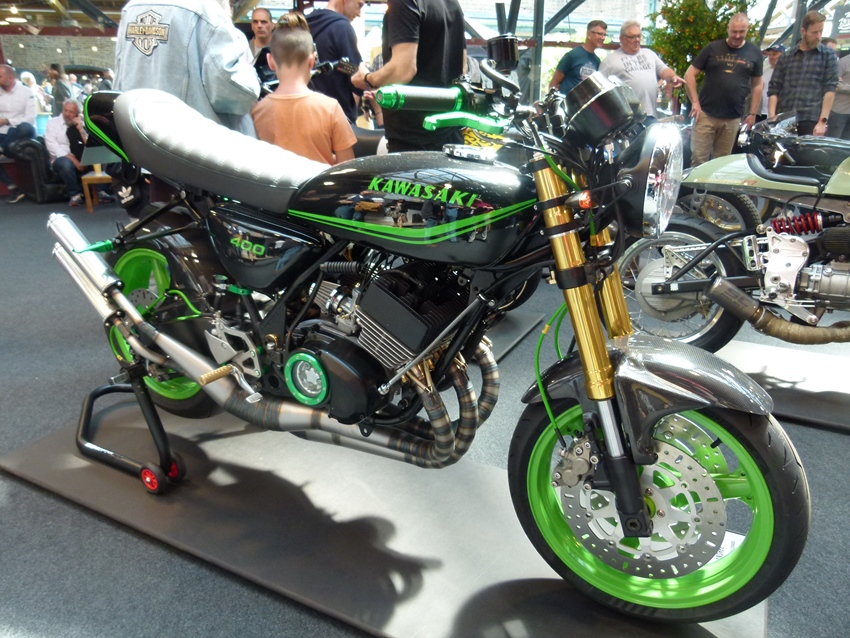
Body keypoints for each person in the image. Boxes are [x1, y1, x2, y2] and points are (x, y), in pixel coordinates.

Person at [114, 0, 260, 135]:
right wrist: (248, 71)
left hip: (142, 139)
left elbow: (119, 84)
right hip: (195, 143)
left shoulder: (131, 9)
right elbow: (239, 93)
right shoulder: (207, 11)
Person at [351, 0, 466, 152]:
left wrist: (367, 78)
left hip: (414, 139)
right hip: (450, 135)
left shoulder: (404, 2)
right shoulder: (453, 4)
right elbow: (463, 68)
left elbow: (403, 70)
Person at [251, 13, 355, 165]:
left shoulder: (256, 112)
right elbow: (347, 169)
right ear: (312, 60)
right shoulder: (330, 109)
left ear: (270, 61)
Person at [684, 12, 763, 166]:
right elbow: (689, 74)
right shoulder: (712, 48)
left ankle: (714, 184)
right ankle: (698, 183)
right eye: (734, 31)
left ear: (747, 29)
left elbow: (758, 84)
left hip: (732, 117)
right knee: (699, 159)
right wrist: (695, 102)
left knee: (721, 163)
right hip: (706, 114)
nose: (737, 36)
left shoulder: (754, 52)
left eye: (741, 32)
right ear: (728, 29)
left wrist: (753, 113)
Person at [768, 11, 838, 137]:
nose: (819, 36)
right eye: (814, 32)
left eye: (821, 31)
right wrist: (772, 118)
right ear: (803, 31)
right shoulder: (787, 56)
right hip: (784, 118)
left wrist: (822, 121)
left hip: (811, 119)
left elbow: (830, 89)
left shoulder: (828, 55)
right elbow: (774, 88)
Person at [597, 21, 683, 123]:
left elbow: (664, 70)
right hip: (626, 119)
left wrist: (673, 77)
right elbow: (600, 92)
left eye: (638, 36)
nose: (637, 40)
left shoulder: (649, 54)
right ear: (621, 39)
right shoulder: (610, 61)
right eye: (632, 37)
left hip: (650, 114)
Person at [306, 0, 365, 124]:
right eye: (359, 5)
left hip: (307, 116)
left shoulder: (305, 25)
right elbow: (356, 78)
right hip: (336, 120)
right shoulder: (342, 28)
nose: (359, 13)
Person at [0, 64, 37, 203]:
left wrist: (8, 120)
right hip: (3, 132)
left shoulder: (26, 92)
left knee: (25, 127)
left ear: (10, 78)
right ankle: (13, 188)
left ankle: (1, 148)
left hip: (22, 131)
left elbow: (30, 118)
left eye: (0, 76)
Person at [45, 99, 91, 206]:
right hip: (61, 158)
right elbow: (52, 146)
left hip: (81, 156)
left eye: (71, 112)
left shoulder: (82, 124)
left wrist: (81, 129)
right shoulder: (53, 123)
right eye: (65, 110)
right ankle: (75, 195)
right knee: (65, 164)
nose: (67, 114)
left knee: (100, 157)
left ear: (77, 114)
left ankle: (100, 191)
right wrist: (73, 159)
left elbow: (89, 144)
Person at [549, 20, 608, 95]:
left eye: (604, 35)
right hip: (567, 101)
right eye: (599, 34)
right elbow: (553, 84)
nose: (603, 38)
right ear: (589, 34)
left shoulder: (597, 61)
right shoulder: (572, 56)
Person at [249, 7, 275, 87]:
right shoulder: (243, 49)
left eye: (263, 22)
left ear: (272, 25)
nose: (259, 26)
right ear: (252, 26)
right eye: (255, 22)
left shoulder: (282, 49)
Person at [828, 51, 850, 139]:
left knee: (847, 143)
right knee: (834, 141)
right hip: (839, 111)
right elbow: (833, 83)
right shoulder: (843, 62)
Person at [760, 44, 784, 119]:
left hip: (777, 112)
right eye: (769, 55)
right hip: (761, 112)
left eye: (774, 54)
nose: (771, 57)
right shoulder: (764, 70)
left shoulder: (785, 72)